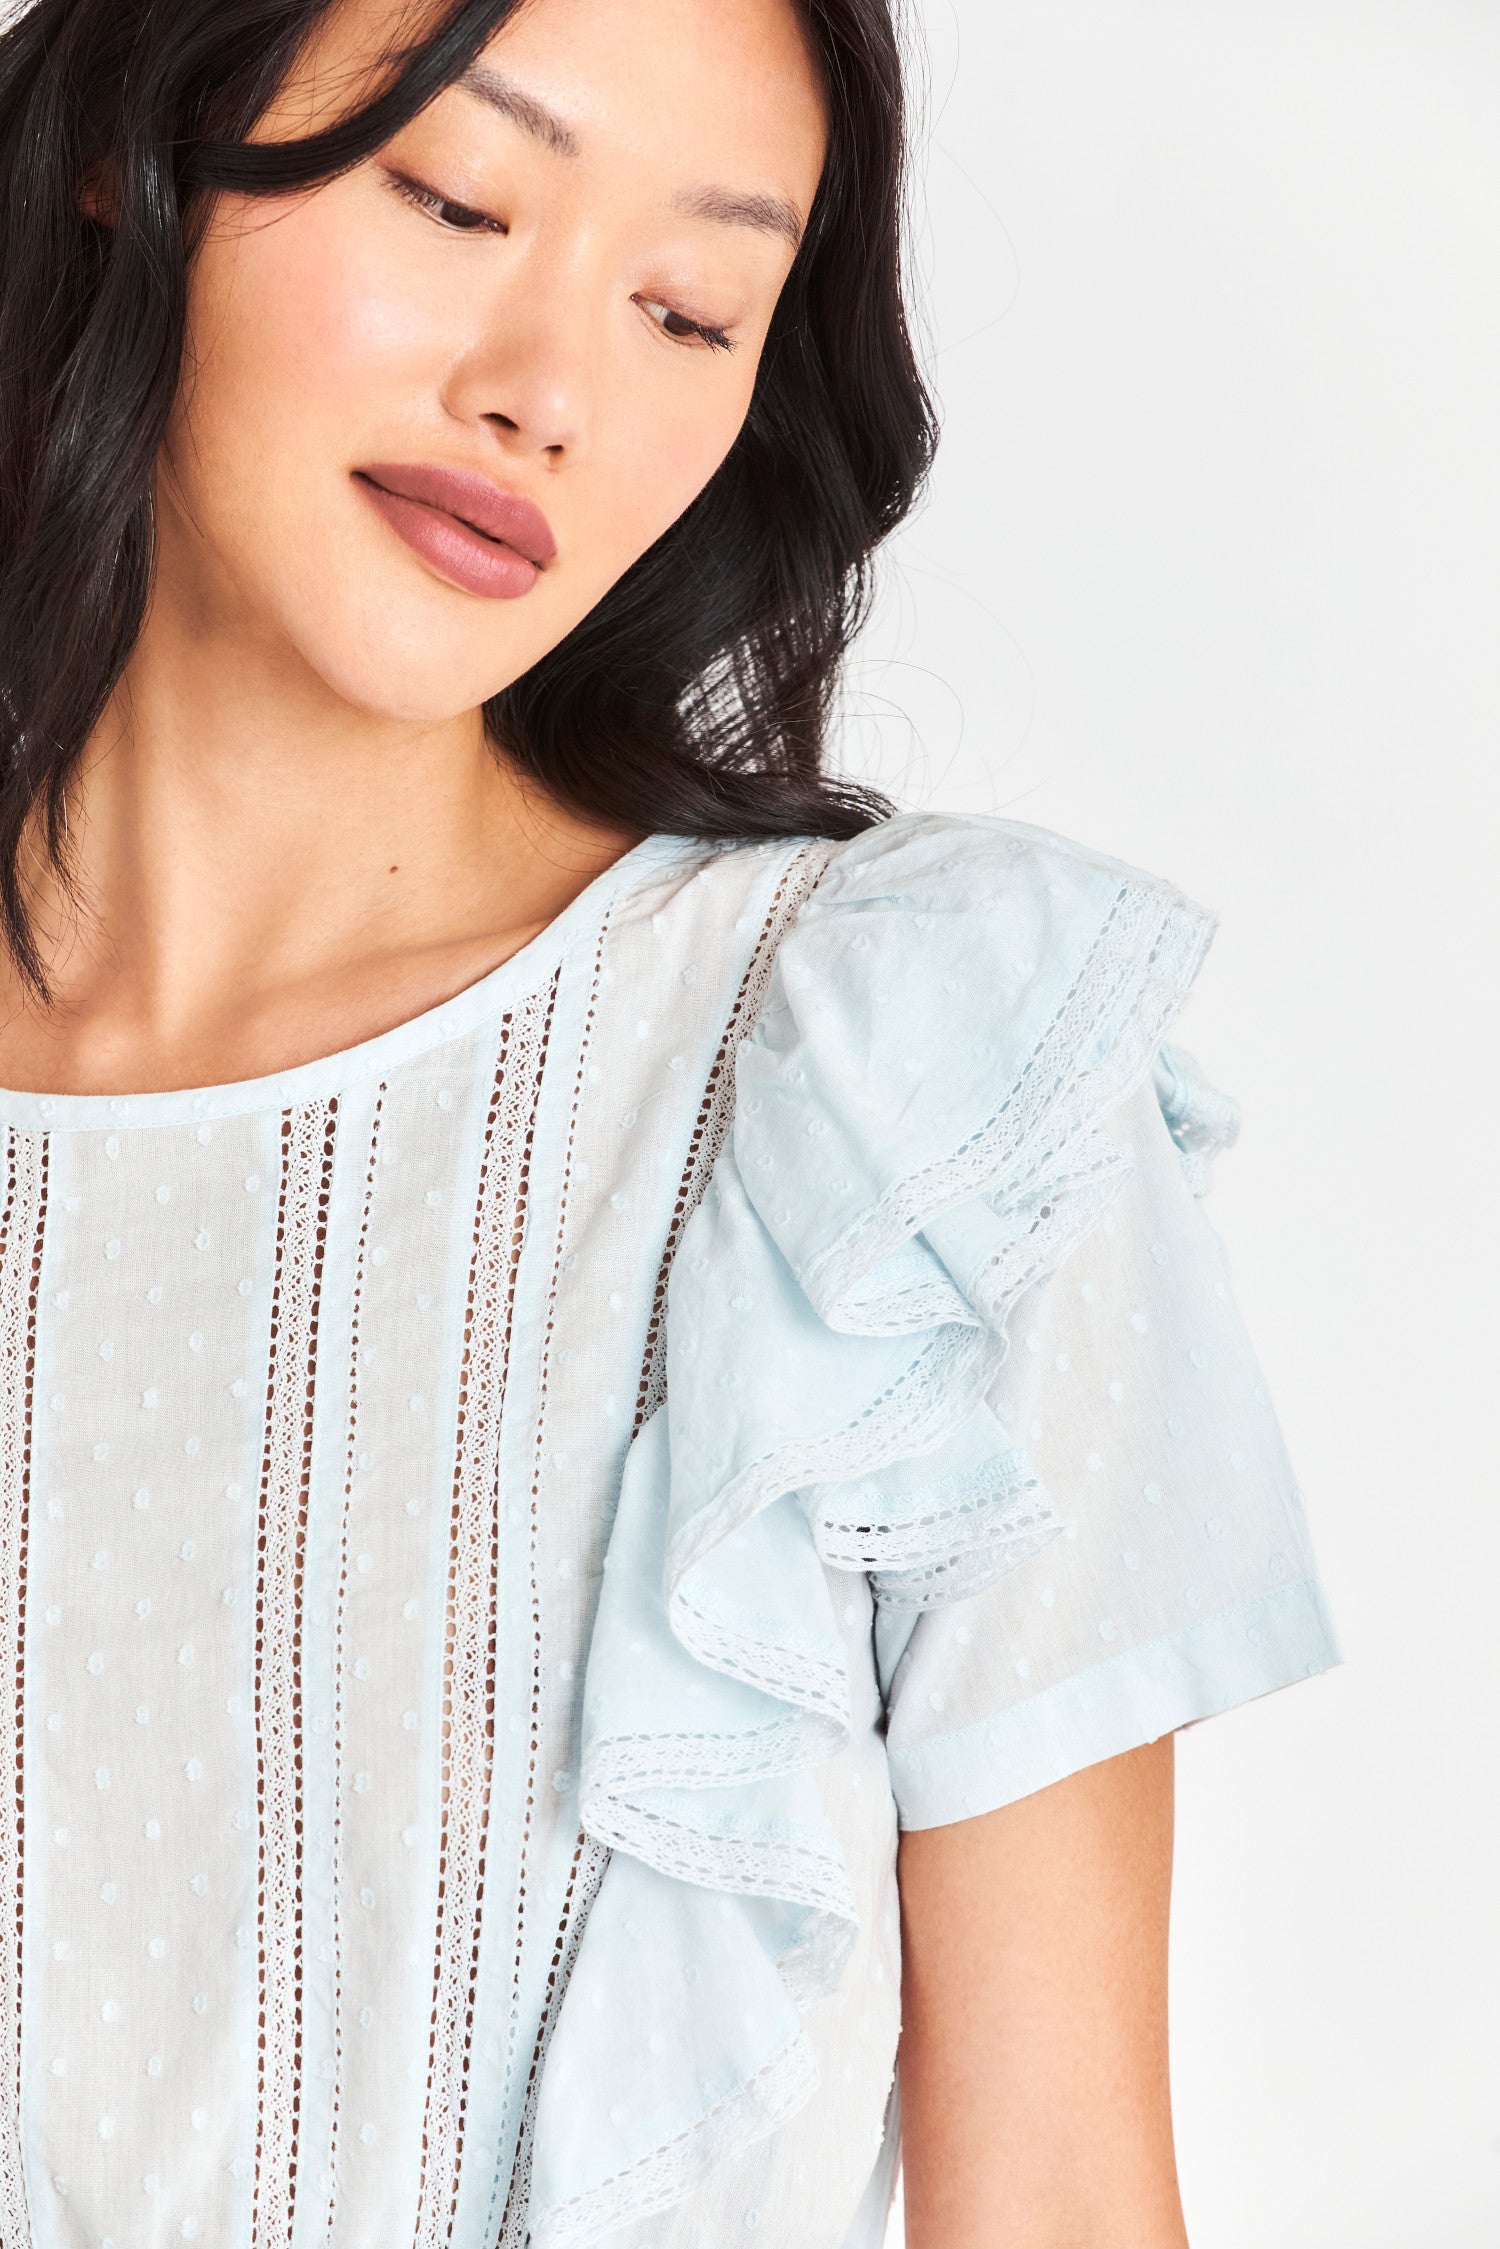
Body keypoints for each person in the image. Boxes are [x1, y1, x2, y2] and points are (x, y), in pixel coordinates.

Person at [0, 0, 1342, 2241]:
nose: (551, 389)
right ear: (142, 135)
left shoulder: (900, 1097)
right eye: (458, 199)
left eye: (691, 309)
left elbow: (1060, 2189)